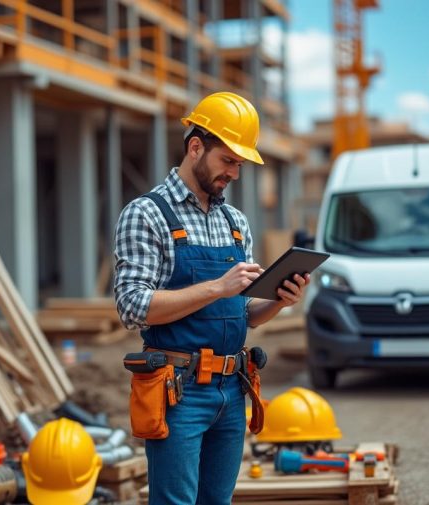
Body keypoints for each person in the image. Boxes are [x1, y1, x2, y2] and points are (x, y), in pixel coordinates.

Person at [113, 91, 309, 505]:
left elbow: (245, 314)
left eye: (239, 164)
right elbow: (132, 307)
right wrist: (219, 286)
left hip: (232, 388)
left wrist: (278, 301)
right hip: (178, 391)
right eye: (228, 160)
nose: (235, 173)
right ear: (196, 146)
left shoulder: (235, 223)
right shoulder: (146, 214)